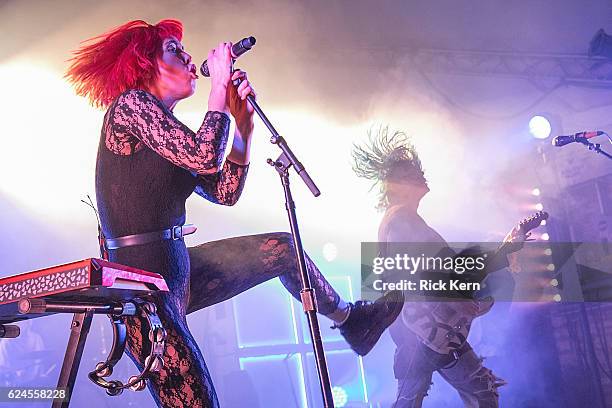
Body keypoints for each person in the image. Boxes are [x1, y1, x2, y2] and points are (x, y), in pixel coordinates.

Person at [66, 19, 403, 408]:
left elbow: (224, 192)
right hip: (141, 297)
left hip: (176, 277)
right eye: (175, 51)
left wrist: (243, 130)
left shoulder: (168, 130)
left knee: (282, 248)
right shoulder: (131, 106)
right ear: (147, 64)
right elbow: (203, 154)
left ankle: (352, 322)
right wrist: (218, 89)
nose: (190, 57)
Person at [352, 127, 513, 408]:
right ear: (395, 185)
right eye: (410, 174)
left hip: (434, 327)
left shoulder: (409, 220)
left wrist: (500, 257)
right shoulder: (401, 220)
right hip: (421, 329)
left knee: (482, 391)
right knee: (426, 398)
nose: (420, 176)